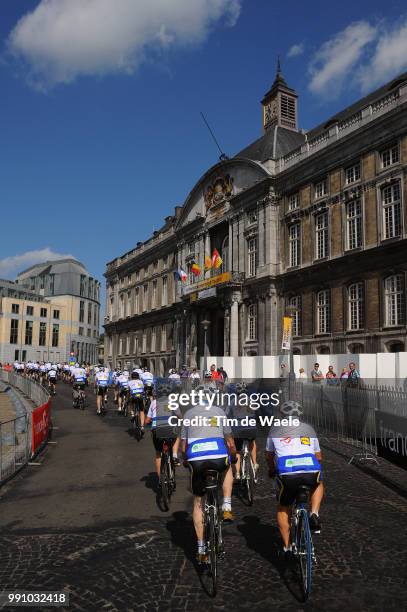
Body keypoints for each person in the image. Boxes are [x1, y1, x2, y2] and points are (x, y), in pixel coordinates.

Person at [181, 387, 237, 563]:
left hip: (196, 458)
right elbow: (229, 440)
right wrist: (233, 455)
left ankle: (201, 548)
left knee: (198, 502)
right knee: (228, 467)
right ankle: (227, 506)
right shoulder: (219, 411)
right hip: (218, 455)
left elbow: (184, 445)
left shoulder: (189, 414)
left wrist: (185, 460)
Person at [265, 400, 324, 558]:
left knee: (283, 508)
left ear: (282, 415)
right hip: (310, 469)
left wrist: (271, 469)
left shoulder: (275, 429)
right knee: (318, 482)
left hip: (287, 473)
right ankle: (314, 513)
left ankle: (287, 547)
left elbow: (269, 456)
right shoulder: (309, 429)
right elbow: (319, 457)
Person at [144, 390, 181, 479]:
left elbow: (147, 421)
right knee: (178, 435)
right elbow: (179, 416)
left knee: (158, 453)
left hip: (156, 430)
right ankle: (175, 455)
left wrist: (148, 423)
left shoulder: (153, 403)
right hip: (170, 428)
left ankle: (160, 479)